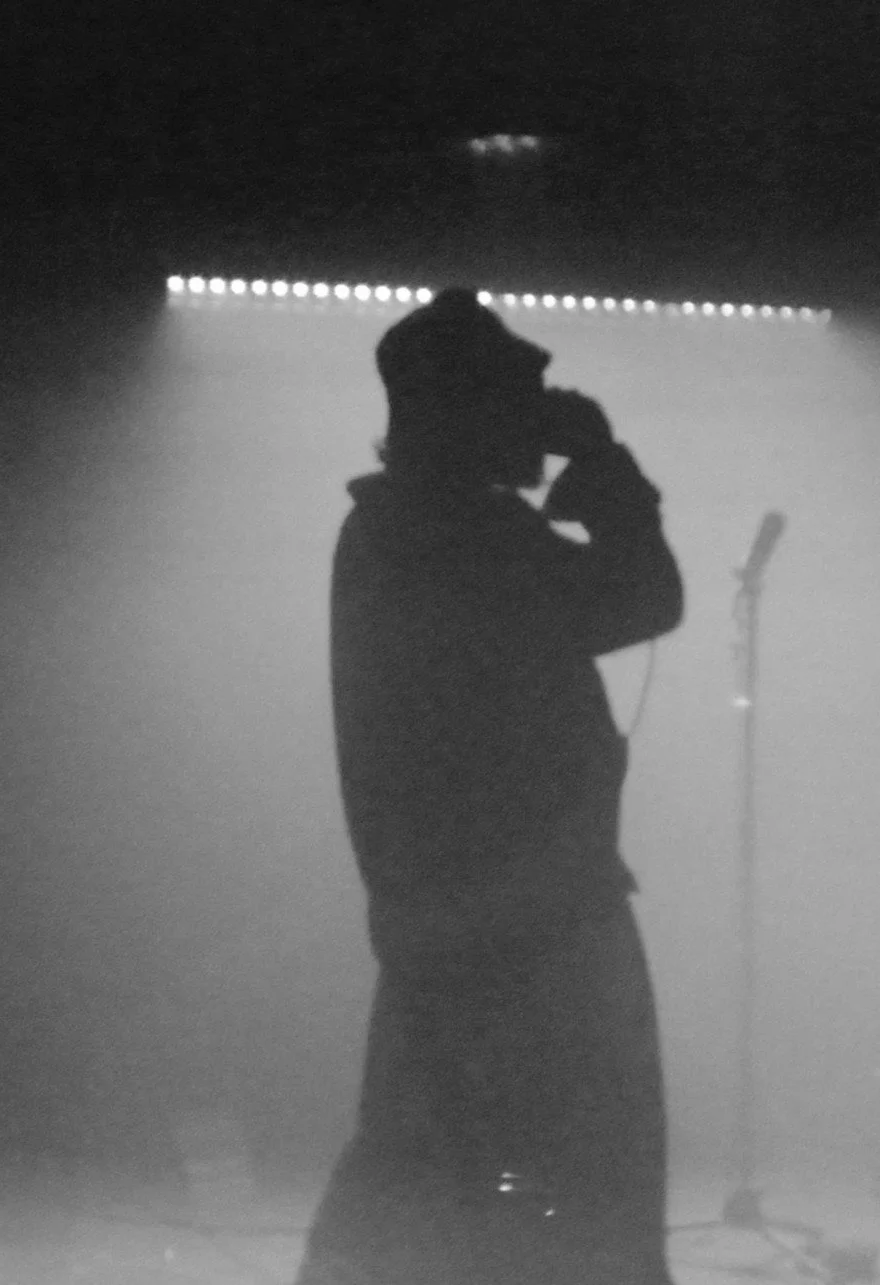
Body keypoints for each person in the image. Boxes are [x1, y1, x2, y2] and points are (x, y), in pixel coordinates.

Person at [296, 290, 684, 1284]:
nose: (541, 406)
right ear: (463, 408)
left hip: (455, 907)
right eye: (519, 390)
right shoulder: (459, 534)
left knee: (423, 1161)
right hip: (530, 907)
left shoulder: (404, 529)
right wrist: (600, 461)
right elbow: (643, 593)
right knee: (583, 1163)